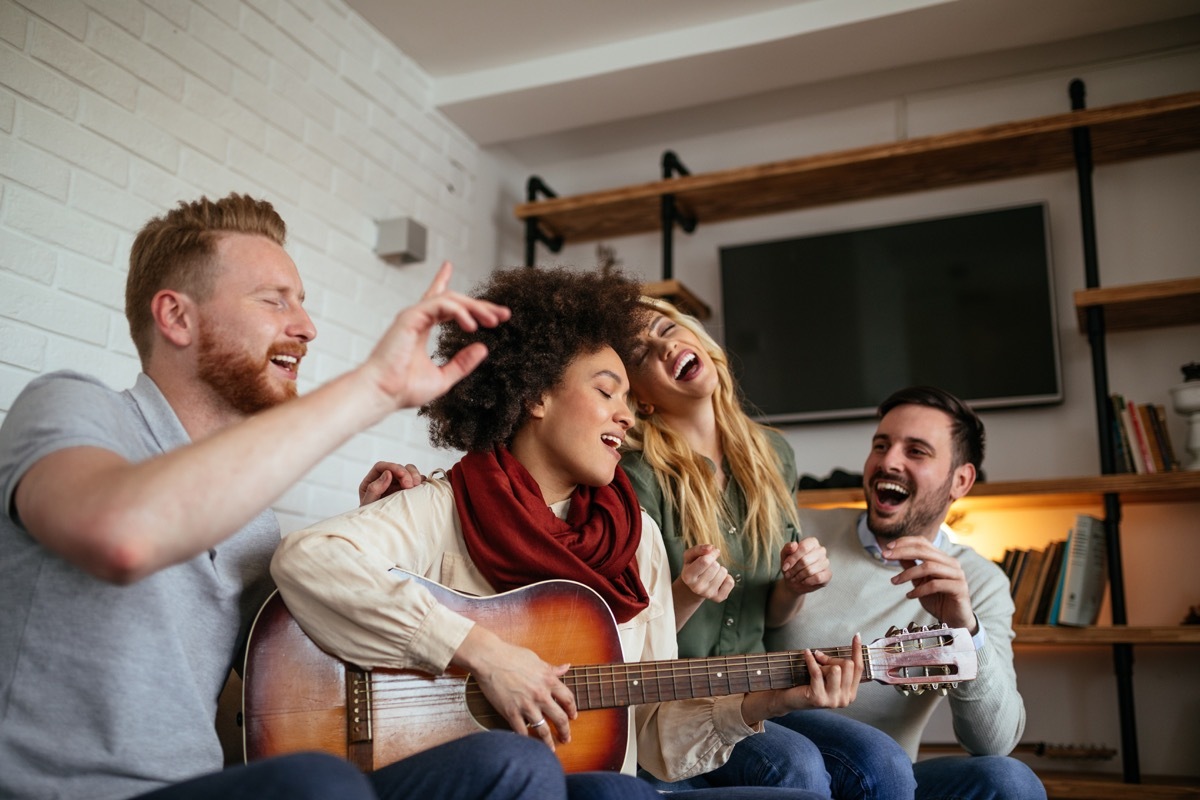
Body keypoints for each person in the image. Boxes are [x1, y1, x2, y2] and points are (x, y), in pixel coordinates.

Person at [0, 193, 591, 800]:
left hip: (198, 789)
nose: (305, 327)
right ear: (176, 317)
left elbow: (296, 663)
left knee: (513, 766)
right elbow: (120, 536)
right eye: (273, 300)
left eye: (302, 302)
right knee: (320, 784)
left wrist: (376, 545)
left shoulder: (253, 518)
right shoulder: (73, 407)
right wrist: (374, 387)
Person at [271, 266, 864, 800]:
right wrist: (487, 656)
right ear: (535, 396)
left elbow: (654, 737)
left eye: (629, 400)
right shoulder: (448, 504)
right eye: (607, 391)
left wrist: (769, 701)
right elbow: (308, 558)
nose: (625, 416)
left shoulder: (640, 542)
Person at [618, 297, 914, 798]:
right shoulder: (634, 473)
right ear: (641, 399)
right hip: (671, 700)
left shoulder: (773, 453)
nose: (666, 344)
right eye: (643, 352)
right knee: (794, 766)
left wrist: (796, 585)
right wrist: (685, 592)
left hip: (757, 679)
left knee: (883, 760)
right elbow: (632, 639)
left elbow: (773, 616)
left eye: (668, 328)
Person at [764, 386, 1047, 800]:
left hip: (887, 781)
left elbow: (993, 742)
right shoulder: (798, 531)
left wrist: (963, 630)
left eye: (916, 451)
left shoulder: (978, 582)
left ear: (961, 480)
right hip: (780, 755)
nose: (888, 462)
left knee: (1011, 782)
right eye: (881, 445)